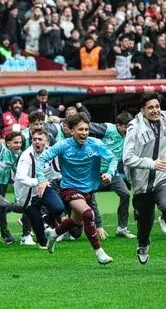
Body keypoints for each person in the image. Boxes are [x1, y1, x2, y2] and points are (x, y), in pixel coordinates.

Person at [38, 113, 116, 265]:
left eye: (86, 129)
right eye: (80, 129)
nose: (84, 133)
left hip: (89, 190)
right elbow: (41, 159)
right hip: (69, 189)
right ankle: (100, 253)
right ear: (71, 131)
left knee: (75, 221)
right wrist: (42, 180)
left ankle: (54, 234)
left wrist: (110, 173)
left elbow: (113, 158)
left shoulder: (96, 144)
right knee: (88, 214)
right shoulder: (63, 145)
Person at [123, 92, 166, 264]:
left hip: (162, 175)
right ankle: (143, 244)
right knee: (144, 223)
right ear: (142, 110)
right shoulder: (134, 127)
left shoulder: (164, 119)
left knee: (165, 204)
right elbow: (127, 158)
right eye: (151, 107)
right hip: (141, 181)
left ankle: (164, 216)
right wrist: (150, 164)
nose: (155, 110)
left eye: (157, 106)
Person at [13, 129, 64, 248]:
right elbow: (20, 177)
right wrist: (38, 182)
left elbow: (55, 172)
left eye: (40, 139)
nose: (37, 142)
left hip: (44, 188)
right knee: (40, 233)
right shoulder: (26, 156)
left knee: (59, 207)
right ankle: (42, 240)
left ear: (46, 141)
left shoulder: (50, 152)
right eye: (34, 139)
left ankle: (47, 219)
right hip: (27, 194)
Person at [89, 112, 135, 238]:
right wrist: (61, 120)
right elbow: (84, 124)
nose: (128, 130)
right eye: (126, 127)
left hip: (112, 173)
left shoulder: (131, 135)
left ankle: (122, 228)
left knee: (125, 194)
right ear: (118, 125)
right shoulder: (107, 129)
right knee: (89, 199)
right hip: (94, 173)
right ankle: (93, 227)